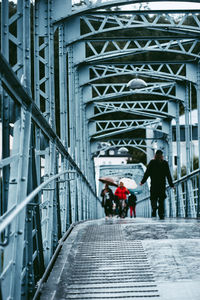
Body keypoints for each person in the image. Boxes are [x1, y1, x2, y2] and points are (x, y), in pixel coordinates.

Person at [140, 149, 174, 220]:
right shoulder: (165, 163)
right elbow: (168, 175)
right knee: (161, 200)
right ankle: (161, 214)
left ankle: (154, 208)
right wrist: (171, 184)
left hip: (154, 184)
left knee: (153, 198)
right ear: (162, 156)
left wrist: (142, 182)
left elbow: (147, 173)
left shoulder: (152, 162)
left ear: (155, 155)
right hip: (162, 185)